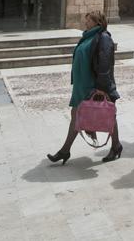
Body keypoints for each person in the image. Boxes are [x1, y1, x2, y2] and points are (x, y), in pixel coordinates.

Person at [47, 10, 123, 164]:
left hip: (94, 86)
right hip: (82, 86)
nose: (85, 23)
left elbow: (104, 64)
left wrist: (102, 88)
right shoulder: (88, 37)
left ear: (97, 22)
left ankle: (65, 150)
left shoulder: (103, 38)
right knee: (80, 116)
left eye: (89, 20)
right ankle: (115, 145)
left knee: (105, 114)